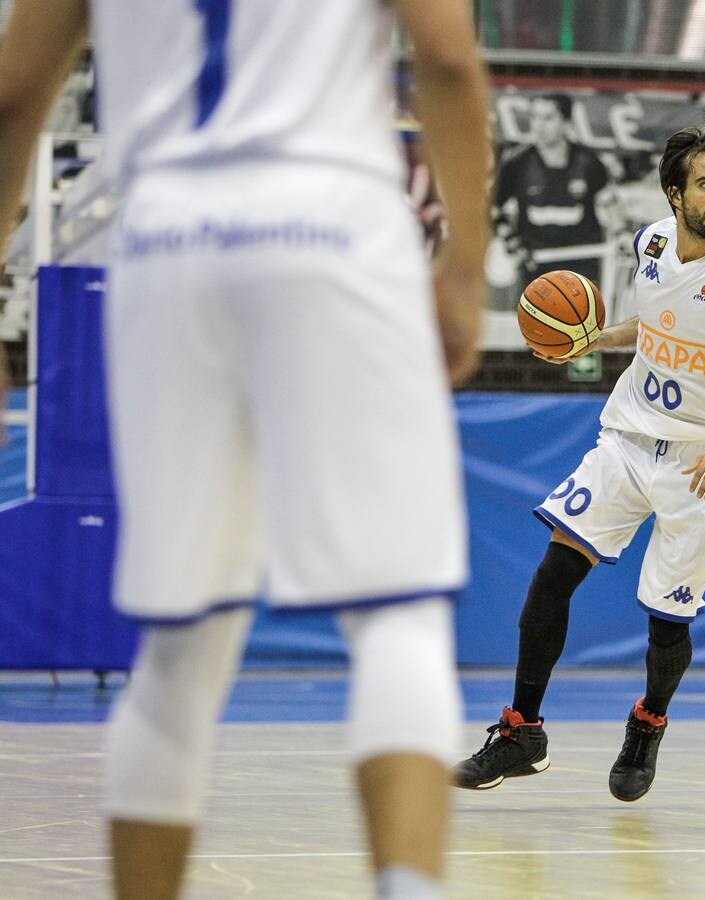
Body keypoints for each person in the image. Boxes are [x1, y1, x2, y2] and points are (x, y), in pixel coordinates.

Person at [0, 2, 489, 898]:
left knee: (180, 643)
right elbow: (448, 57)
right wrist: (465, 269)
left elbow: (12, 97)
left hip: (163, 244)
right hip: (332, 220)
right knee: (397, 616)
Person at [452, 126, 705, 802]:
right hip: (626, 439)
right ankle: (522, 731)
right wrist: (594, 337)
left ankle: (647, 724)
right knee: (554, 572)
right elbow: (658, 325)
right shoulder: (650, 243)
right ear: (674, 193)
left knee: (666, 621)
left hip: (701, 461)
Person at [493, 93, 615, 291]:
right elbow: (493, 209)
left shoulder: (589, 163)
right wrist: (512, 242)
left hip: (582, 268)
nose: (538, 125)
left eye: (548, 118)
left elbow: (611, 205)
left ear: (566, 123)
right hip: (535, 268)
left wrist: (622, 234)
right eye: (534, 117)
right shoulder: (516, 164)